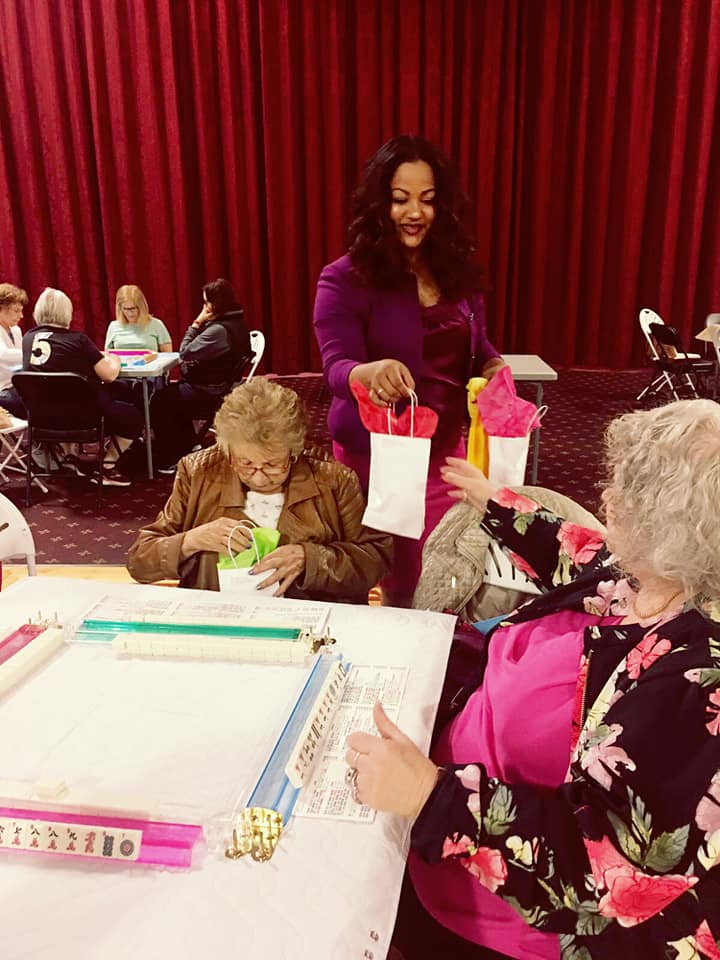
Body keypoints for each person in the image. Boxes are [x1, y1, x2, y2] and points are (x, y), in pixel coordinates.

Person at [344, 399, 720, 960]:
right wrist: (497, 503)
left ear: (674, 530)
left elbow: (604, 882)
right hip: (463, 824)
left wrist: (430, 796)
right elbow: (583, 554)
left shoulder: (699, 682)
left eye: (628, 494)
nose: (607, 499)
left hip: (524, 918)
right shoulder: (670, 573)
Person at [313, 135, 505, 607]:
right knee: (379, 577)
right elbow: (335, 367)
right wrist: (368, 372)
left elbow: (476, 346)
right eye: (400, 200)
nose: (414, 212)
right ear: (380, 204)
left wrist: (495, 365)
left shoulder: (456, 273)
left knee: (437, 576)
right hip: (376, 456)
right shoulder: (344, 277)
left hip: (445, 452)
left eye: (427, 200)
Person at [128, 377, 392, 601]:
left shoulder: (334, 479)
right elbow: (139, 561)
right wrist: (190, 541)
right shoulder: (198, 472)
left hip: (309, 622)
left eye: (273, 464)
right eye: (245, 464)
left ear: (294, 451)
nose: (260, 476)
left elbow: (374, 559)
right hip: (218, 618)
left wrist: (311, 559)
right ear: (227, 451)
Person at [21, 288, 143, 487]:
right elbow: (109, 375)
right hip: (84, 418)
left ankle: (69, 457)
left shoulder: (28, 338)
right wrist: (115, 359)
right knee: (132, 415)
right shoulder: (78, 339)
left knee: (64, 394)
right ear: (66, 312)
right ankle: (107, 466)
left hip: (44, 419)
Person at [149, 277, 250, 473]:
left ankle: (170, 457)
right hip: (222, 384)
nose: (204, 307)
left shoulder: (219, 331)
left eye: (206, 303)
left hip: (210, 391)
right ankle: (188, 444)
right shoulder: (237, 321)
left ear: (215, 304)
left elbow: (185, 352)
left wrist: (197, 322)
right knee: (172, 395)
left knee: (160, 401)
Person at [105, 285, 172, 352]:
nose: (130, 313)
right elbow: (107, 356)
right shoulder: (113, 326)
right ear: (119, 308)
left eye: (133, 308)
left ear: (141, 306)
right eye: (125, 309)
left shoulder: (156, 324)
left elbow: (168, 356)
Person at [0, 282, 28, 418]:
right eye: (16, 311)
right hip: (2, 389)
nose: (21, 316)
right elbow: (2, 355)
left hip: (17, 386)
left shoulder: (16, 330)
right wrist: (32, 352)